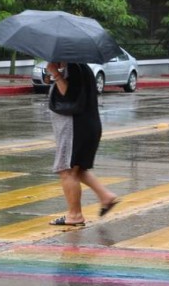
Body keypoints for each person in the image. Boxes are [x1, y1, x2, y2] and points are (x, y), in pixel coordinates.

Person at [46, 61, 119, 226]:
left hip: (75, 128)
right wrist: (53, 73)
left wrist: (55, 74)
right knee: (78, 169)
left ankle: (75, 215)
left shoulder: (74, 68)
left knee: (66, 171)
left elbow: (69, 95)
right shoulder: (80, 68)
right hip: (85, 126)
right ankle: (106, 196)